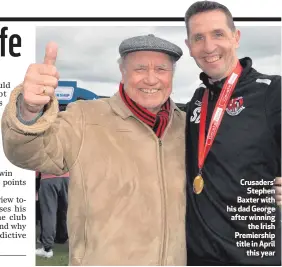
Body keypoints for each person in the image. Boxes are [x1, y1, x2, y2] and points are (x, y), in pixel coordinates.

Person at [1, 34, 186, 265]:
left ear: (172, 75)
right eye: (140, 68)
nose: (151, 79)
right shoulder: (84, 118)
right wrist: (28, 111)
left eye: (161, 69)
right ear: (123, 72)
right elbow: (30, 153)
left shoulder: (188, 127)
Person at [184, 1, 281, 265]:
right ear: (189, 46)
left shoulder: (272, 91)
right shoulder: (197, 99)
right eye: (198, 38)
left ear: (236, 37)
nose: (208, 47)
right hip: (198, 257)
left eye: (218, 34)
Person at [36, 172, 69, 258]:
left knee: (49, 213)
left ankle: (47, 249)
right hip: (68, 177)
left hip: (48, 178)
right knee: (70, 212)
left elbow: (36, 162)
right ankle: (77, 247)